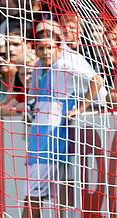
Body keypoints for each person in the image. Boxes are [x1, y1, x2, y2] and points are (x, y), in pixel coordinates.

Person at [22, 23, 105, 218]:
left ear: (59, 46)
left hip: (54, 135)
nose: (45, 51)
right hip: (38, 134)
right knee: (48, 193)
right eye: (41, 47)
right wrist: (27, 109)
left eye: (50, 47)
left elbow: (98, 80)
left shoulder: (68, 64)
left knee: (36, 195)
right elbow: (33, 96)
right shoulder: (37, 66)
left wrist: (81, 107)